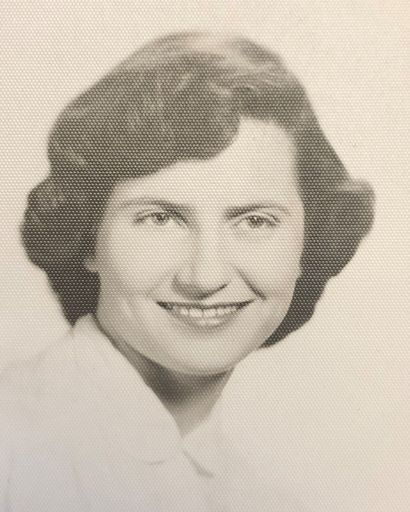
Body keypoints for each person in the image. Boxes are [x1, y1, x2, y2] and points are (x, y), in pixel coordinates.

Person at [0, 31, 374, 511]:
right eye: (159, 218)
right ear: (86, 237)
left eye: (255, 221)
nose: (205, 276)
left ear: (308, 242)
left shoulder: (266, 492)